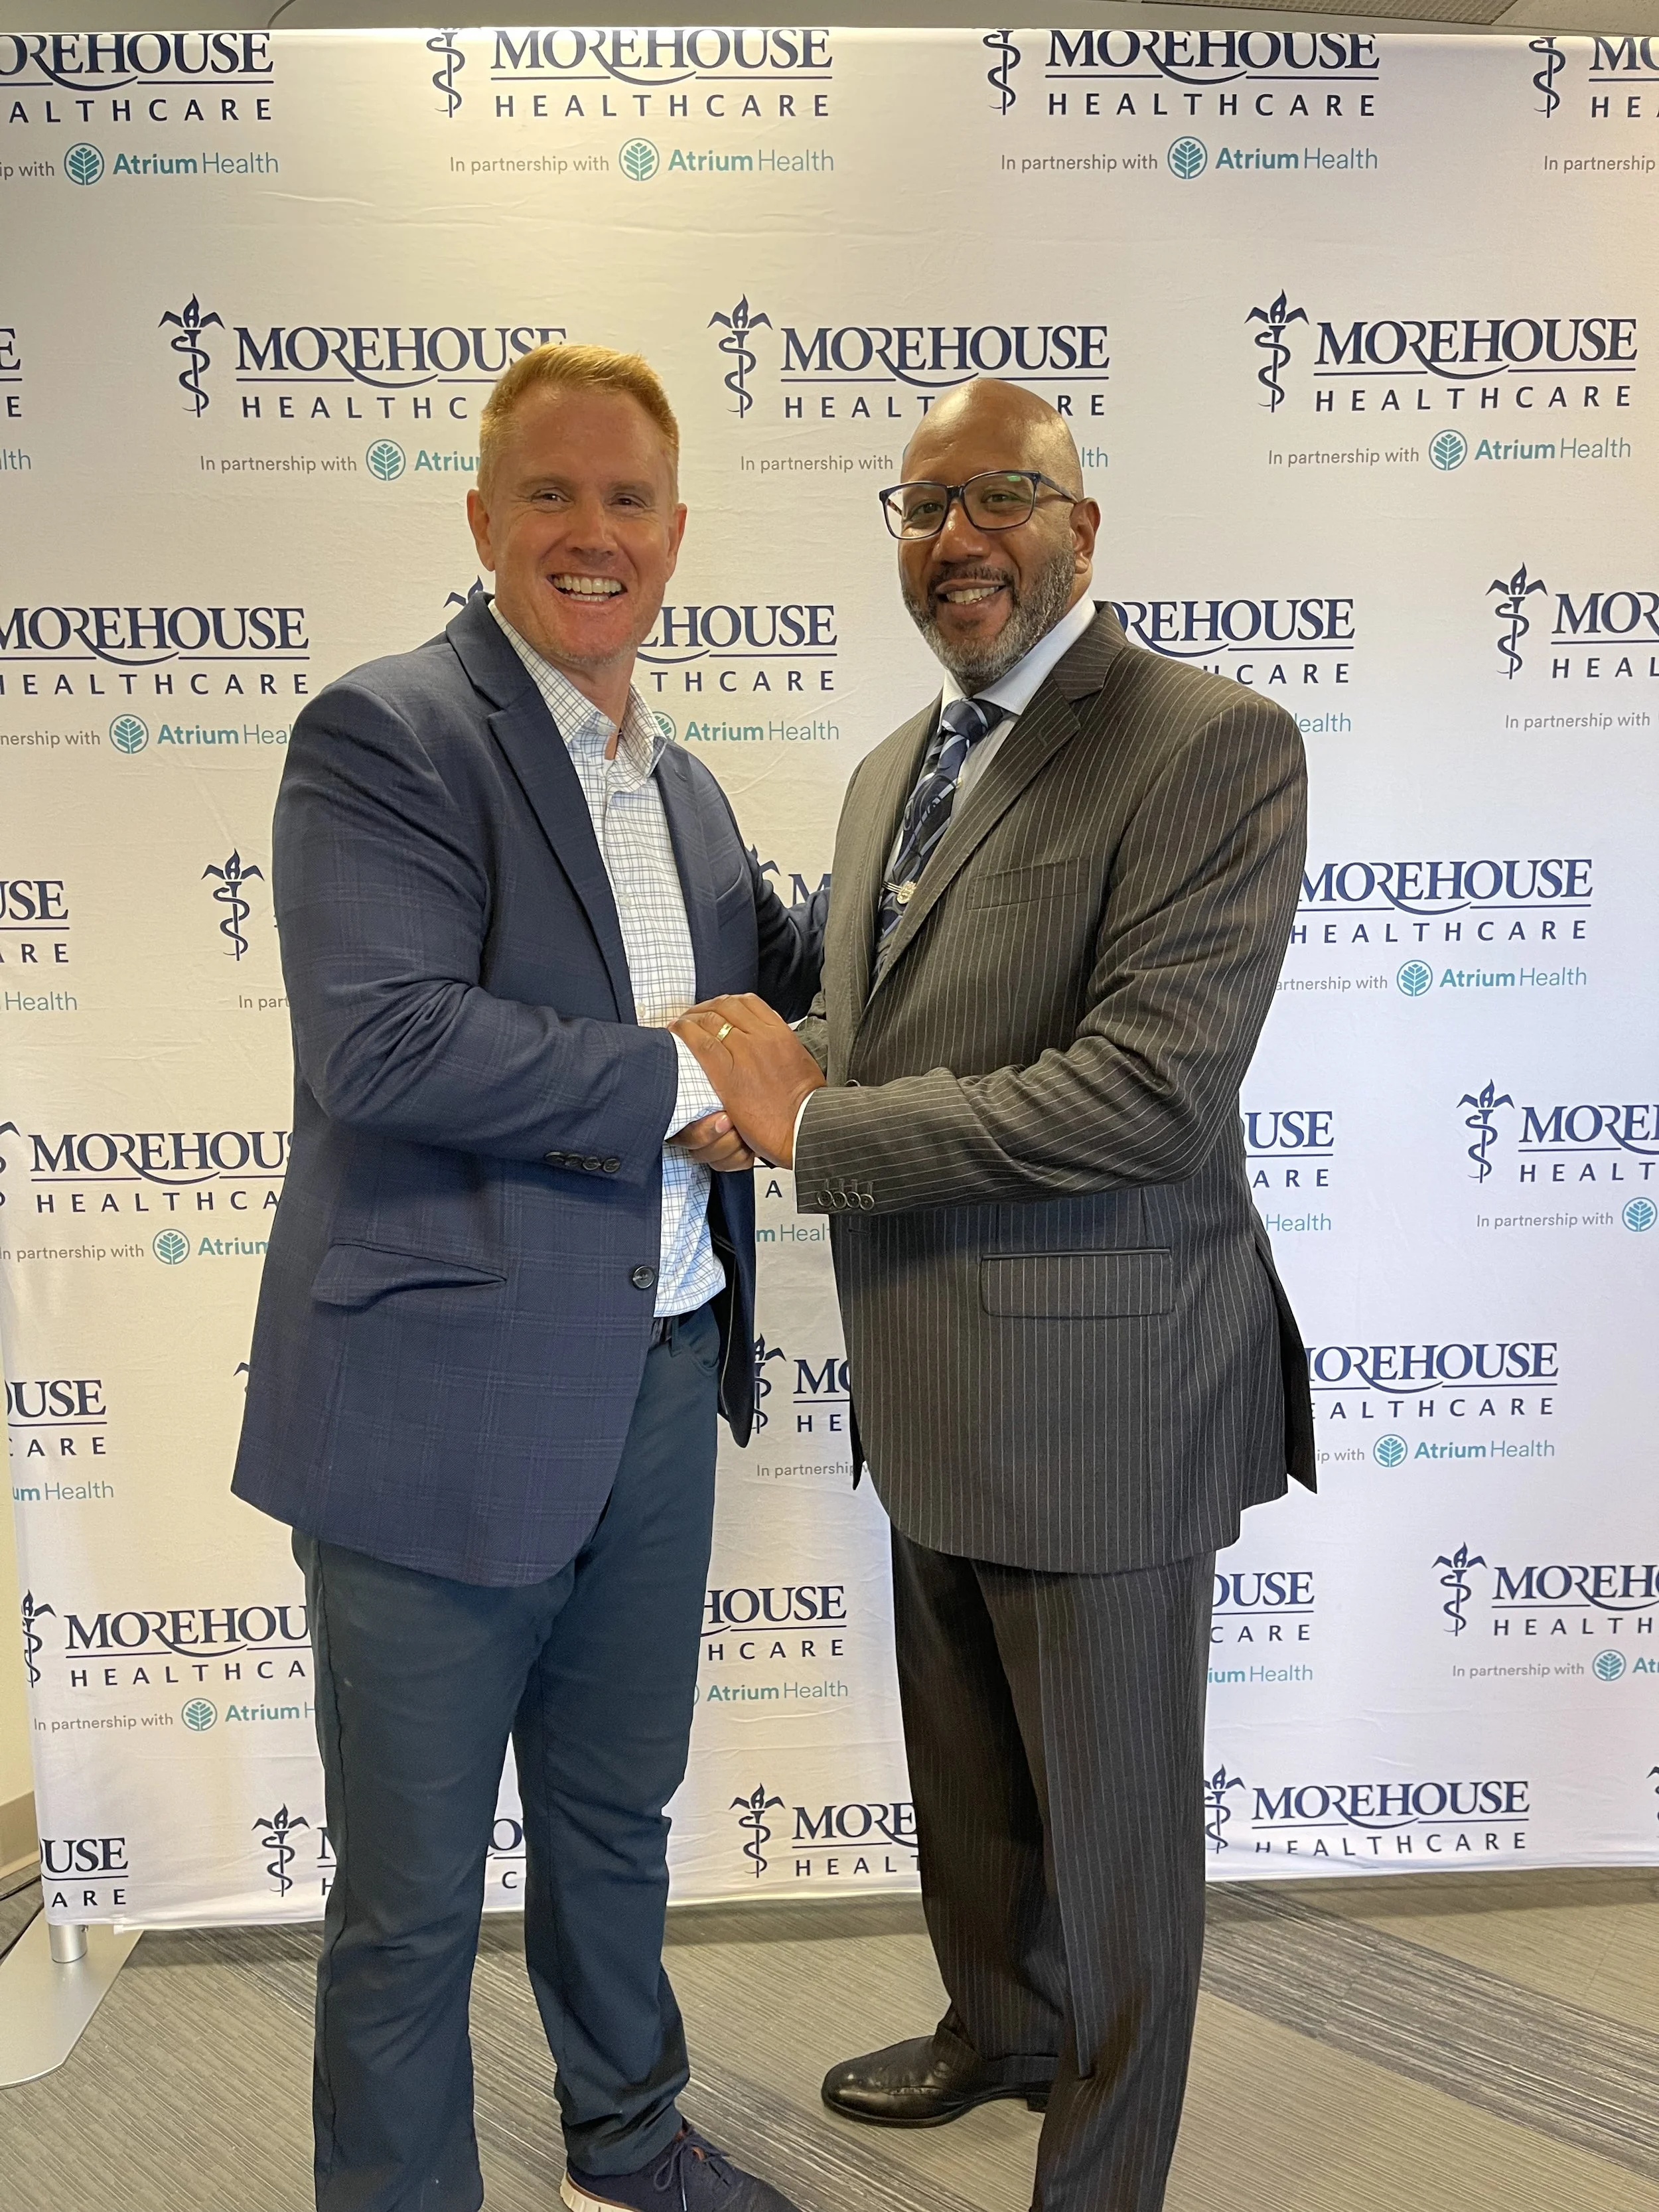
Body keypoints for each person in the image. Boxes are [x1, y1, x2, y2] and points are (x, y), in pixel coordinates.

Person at [674, 377, 1315, 2212]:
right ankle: (1001, 2027)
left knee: (1112, 1839)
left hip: (1108, 1398)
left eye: (999, 498)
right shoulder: (895, 764)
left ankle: (1099, 2171)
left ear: (1078, 531)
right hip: (928, 1373)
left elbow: (1147, 1093)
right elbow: (870, 1027)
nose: (955, 537)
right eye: (920, 504)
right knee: (963, 1777)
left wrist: (818, 1130)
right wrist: (756, 1090)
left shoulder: (1210, 741)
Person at [233, 343, 824, 2212]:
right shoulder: (388, 733)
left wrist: (975, 858)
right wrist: (684, 1084)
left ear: (676, 531)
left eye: (627, 499)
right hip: (437, 1412)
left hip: (655, 1381)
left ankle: (627, 2147)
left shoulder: (691, 789)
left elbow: (794, 979)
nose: (593, 533)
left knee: (613, 1821)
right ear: (484, 518)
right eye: (552, 495)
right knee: (409, 1900)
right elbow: (384, 1042)